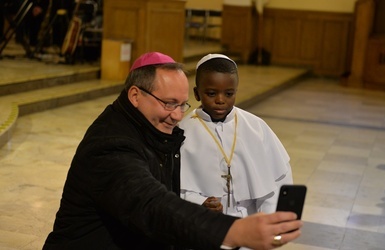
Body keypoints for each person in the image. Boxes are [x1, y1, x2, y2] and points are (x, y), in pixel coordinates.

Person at [43, 51, 303, 250]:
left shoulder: (151, 130)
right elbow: (152, 205)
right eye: (169, 104)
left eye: (182, 105)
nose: (178, 116)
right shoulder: (111, 145)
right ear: (135, 96)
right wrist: (232, 231)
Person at [179, 54, 293, 218]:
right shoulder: (183, 131)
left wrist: (269, 219)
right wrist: (198, 202)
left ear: (236, 92)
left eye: (229, 93)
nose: (220, 100)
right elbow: (172, 186)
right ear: (197, 94)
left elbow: (276, 181)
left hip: (248, 220)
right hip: (204, 222)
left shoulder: (256, 127)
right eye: (211, 93)